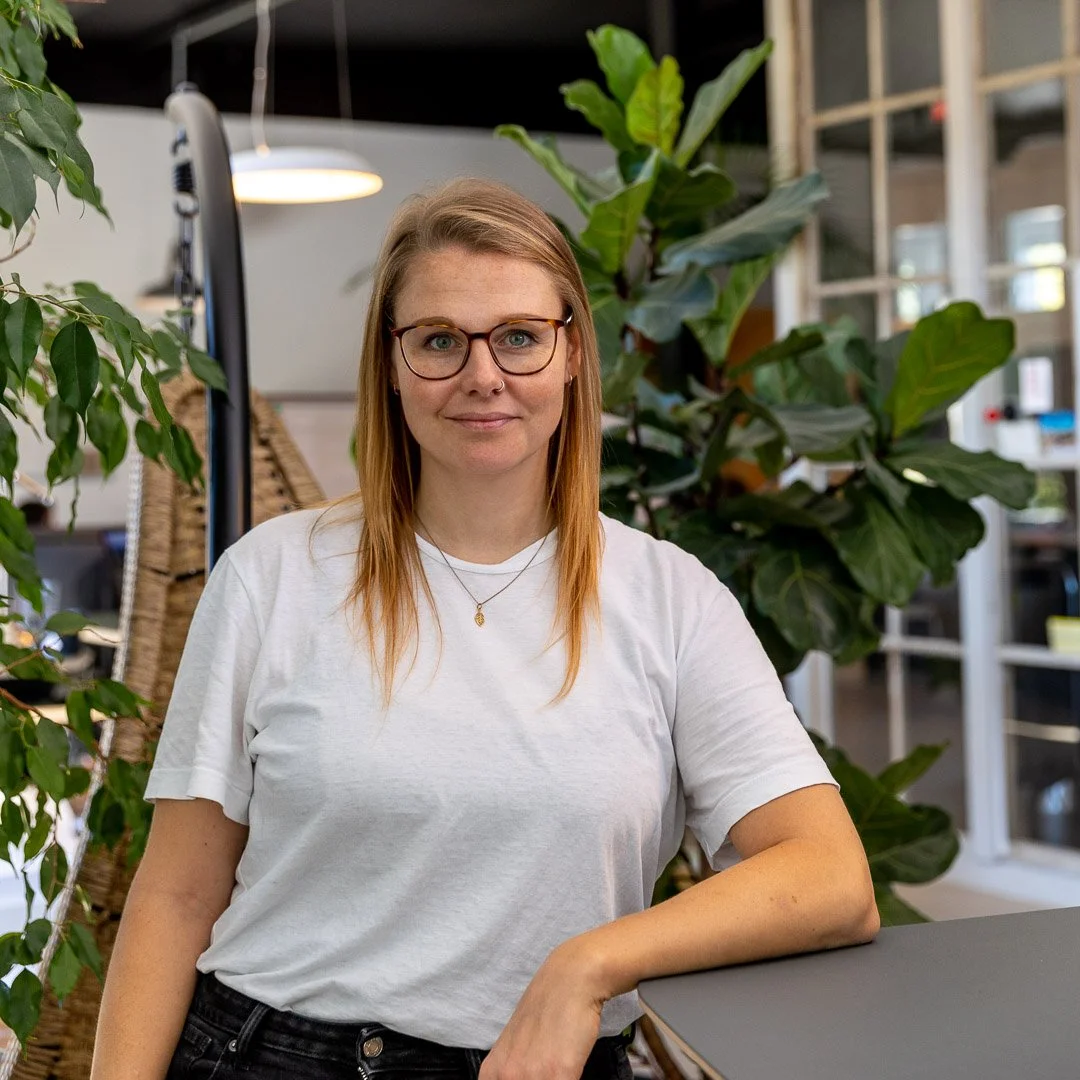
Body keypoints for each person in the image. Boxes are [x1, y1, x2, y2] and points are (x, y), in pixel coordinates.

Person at [89, 177, 878, 1080]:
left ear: (572, 353)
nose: (482, 375)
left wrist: (590, 963)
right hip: (270, 1053)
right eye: (437, 340)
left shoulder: (673, 599)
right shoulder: (273, 575)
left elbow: (831, 876)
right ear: (391, 363)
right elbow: (177, 893)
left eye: (518, 337)